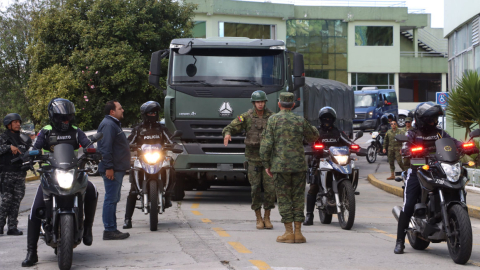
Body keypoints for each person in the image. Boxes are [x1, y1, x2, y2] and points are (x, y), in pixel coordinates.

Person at [22, 98, 98, 267]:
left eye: (68, 117)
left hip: (73, 172)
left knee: (92, 191)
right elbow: (35, 146)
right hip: (50, 174)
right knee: (35, 210)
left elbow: (87, 144)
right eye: (61, 117)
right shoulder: (46, 131)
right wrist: (31, 155)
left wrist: (93, 150)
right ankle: (31, 252)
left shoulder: (77, 132)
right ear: (53, 117)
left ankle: (87, 229)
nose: (65, 121)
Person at [394, 102, 466, 254]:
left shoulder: (439, 132)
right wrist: (409, 150)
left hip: (438, 168)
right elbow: (405, 147)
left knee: (458, 181)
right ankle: (400, 241)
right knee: (408, 205)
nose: (434, 122)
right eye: (431, 119)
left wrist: (466, 145)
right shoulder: (413, 133)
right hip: (418, 168)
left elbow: (452, 142)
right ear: (421, 119)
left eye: (435, 118)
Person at [260, 92, 319, 243]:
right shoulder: (299, 120)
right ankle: (298, 233)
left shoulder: (273, 120)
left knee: (284, 198)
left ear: (279, 104)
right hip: (299, 166)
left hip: (280, 166)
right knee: (298, 198)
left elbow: (266, 145)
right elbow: (313, 136)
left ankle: (288, 233)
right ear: (293, 105)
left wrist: (267, 164)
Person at [223, 90, 275, 230]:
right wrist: (227, 134)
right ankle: (258, 217)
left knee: (270, 189)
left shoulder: (272, 117)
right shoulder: (246, 117)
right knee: (255, 188)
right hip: (253, 159)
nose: (260, 104)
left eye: (262, 102)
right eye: (258, 102)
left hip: (268, 160)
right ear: (253, 103)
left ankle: (267, 217)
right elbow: (230, 127)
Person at [123, 101, 176, 229]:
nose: (153, 114)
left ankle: (168, 194)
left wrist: (174, 144)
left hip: (159, 158)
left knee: (172, 168)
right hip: (143, 160)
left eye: (155, 112)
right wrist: (128, 145)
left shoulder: (161, 129)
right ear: (145, 114)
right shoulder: (138, 129)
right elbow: (128, 140)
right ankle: (127, 219)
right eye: (150, 112)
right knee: (132, 191)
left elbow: (171, 139)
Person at [304, 107, 352, 226]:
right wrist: (311, 147)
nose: (327, 120)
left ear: (333, 119)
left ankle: (346, 194)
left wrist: (357, 148)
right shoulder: (316, 132)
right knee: (314, 186)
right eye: (325, 118)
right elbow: (308, 142)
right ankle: (309, 215)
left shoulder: (338, 132)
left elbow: (349, 142)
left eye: (329, 118)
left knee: (347, 174)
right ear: (321, 119)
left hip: (336, 162)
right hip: (319, 161)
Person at [97, 100, 131, 240]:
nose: (122, 110)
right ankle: (109, 230)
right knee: (110, 199)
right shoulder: (109, 125)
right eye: (120, 108)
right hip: (113, 169)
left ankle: (112, 228)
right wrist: (109, 167)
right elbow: (105, 148)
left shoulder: (113, 124)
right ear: (112, 111)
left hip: (117, 168)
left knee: (113, 198)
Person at [0, 113, 29, 236]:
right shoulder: (3, 137)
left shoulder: (23, 138)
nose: (18, 124)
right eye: (15, 122)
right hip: (6, 173)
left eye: (19, 122)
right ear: (8, 124)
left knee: (16, 200)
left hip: (20, 173)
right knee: (6, 200)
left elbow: (29, 150)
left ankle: (12, 227)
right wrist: (8, 147)